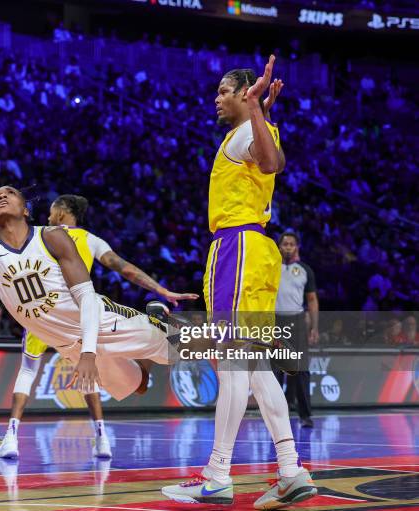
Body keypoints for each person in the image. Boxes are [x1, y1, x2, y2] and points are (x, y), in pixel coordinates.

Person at [0, 99, 195, 444]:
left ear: (25, 208)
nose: (2, 196)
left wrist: (90, 354)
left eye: (10, 193)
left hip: (104, 323)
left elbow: (88, 300)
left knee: (192, 350)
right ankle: (155, 322)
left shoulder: (51, 237)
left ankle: (266, 340)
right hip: (67, 343)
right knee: (139, 386)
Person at [162, 57, 317, 509]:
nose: (216, 98)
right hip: (254, 252)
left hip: (238, 248)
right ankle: (290, 469)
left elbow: (273, 164)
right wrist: (261, 114)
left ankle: (216, 474)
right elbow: (271, 158)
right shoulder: (252, 129)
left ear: (243, 93)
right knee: (255, 369)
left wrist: (256, 112)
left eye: (223, 91)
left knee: (230, 363)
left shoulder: (248, 130)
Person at [0, 194, 198, 459]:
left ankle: (249, 344)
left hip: (85, 316)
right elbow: (124, 268)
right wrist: (160, 289)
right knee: (136, 384)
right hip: (56, 321)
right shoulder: (81, 239)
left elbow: (122, 268)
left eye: (52, 209)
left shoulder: (47, 236)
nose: (47, 214)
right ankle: (98, 437)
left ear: (63, 211)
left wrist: (162, 290)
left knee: (29, 370)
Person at [275, 232, 319, 428]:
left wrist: (314, 327)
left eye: (292, 244)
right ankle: (275, 415)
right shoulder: (270, 268)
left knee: (301, 371)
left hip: (298, 322)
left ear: (297, 248)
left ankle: (305, 415)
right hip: (274, 323)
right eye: (285, 244)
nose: (288, 247)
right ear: (279, 247)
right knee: (275, 371)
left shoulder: (305, 270)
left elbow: (312, 300)